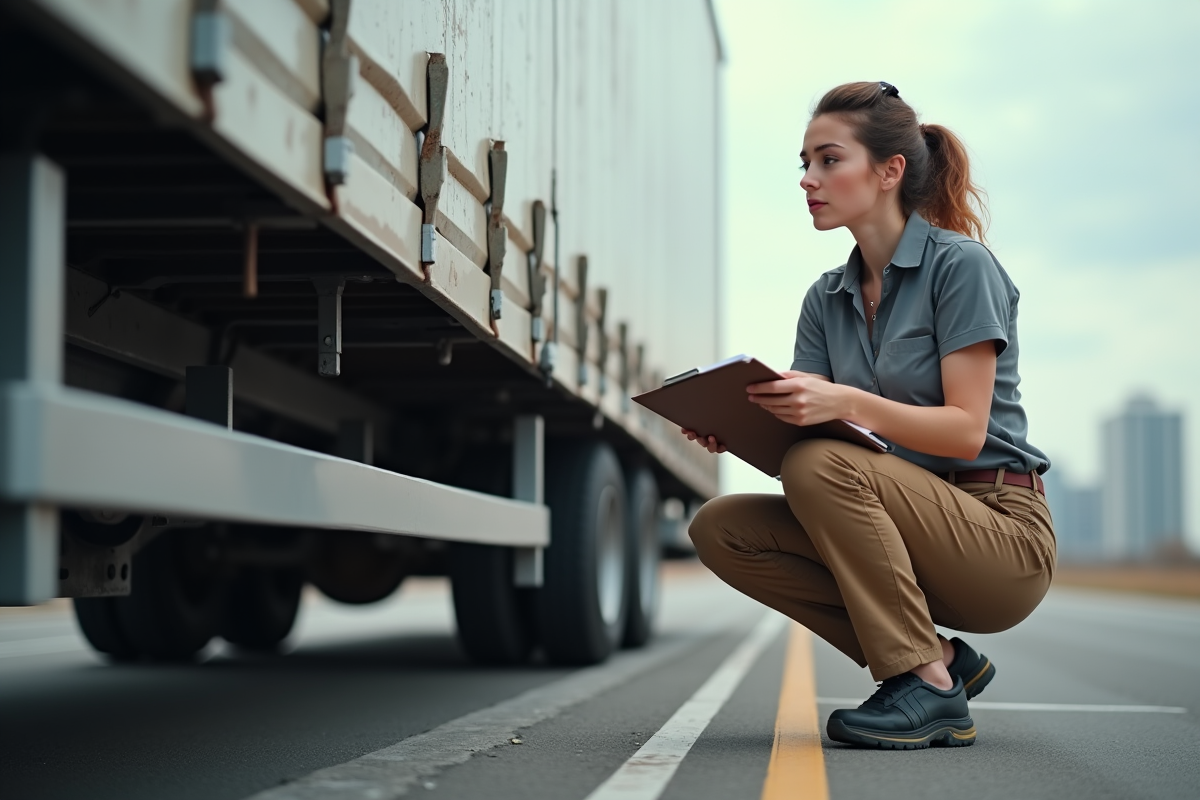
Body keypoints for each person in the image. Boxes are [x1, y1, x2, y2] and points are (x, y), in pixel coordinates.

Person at [684, 81, 1054, 750]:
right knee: (721, 527)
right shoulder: (825, 298)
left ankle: (931, 691)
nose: (808, 179)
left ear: (890, 171)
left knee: (822, 462)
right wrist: (737, 426)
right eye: (803, 163)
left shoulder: (961, 267)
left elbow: (966, 431)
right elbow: (817, 446)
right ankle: (935, 656)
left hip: (998, 536)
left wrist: (845, 401)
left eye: (829, 160)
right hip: (903, 520)